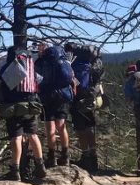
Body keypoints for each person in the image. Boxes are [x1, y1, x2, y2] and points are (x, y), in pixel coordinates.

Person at [0, 46, 46, 181]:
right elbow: (39, 81)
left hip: (14, 107)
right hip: (31, 106)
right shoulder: (31, 67)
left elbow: (1, 78)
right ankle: (40, 164)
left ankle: (16, 169)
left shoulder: (8, 66)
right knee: (33, 135)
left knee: (16, 138)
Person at [66, 42, 104, 173]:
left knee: (80, 129)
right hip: (90, 97)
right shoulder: (94, 62)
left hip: (78, 99)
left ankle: (86, 156)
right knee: (89, 128)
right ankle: (93, 157)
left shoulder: (75, 62)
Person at [36, 41, 74, 168]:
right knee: (62, 126)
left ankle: (52, 158)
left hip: (48, 97)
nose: (38, 49)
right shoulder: (63, 60)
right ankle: (66, 156)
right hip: (62, 96)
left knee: (50, 128)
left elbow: (38, 79)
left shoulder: (41, 62)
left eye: (40, 47)